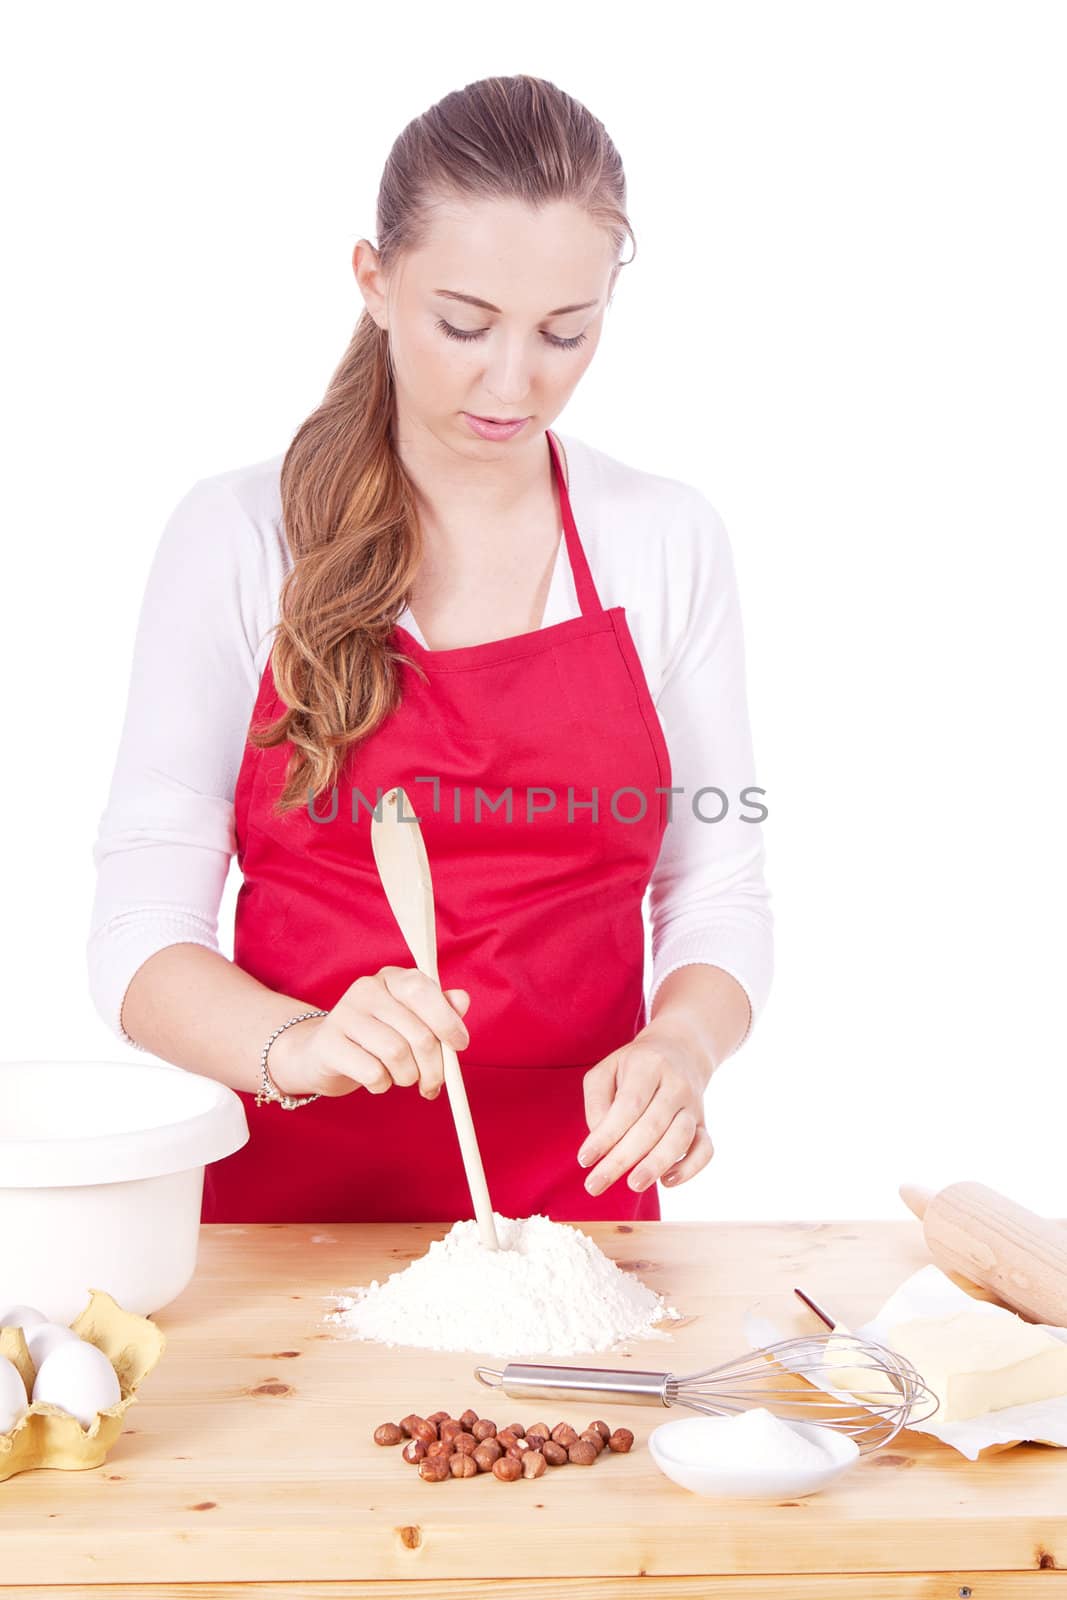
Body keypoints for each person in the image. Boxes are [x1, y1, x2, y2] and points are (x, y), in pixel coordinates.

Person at [87, 73, 773, 1225]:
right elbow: (137, 926)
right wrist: (294, 1041)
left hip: (579, 1226)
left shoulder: (663, 540)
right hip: (286, 1216)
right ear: (374, 280)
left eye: (565, 332)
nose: (512, 383)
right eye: (463, 324)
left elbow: (717, 886)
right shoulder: (242, 538)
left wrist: (683, 1047)